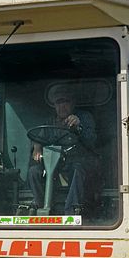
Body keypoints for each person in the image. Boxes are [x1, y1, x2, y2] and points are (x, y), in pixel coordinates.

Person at [27, 85, 98, 215]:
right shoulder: (50, 121)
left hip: (79, 162)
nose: (62, 106)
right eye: (58, 102)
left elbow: (92, 142)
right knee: (33, 171)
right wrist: (36, 145)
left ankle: (71, 211)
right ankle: (41, 206)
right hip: (54, 164)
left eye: (66, 101)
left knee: (77, 169)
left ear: (73, 103)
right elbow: (39, 137)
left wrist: (78, 127)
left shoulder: (84, 117)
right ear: (54, 105)